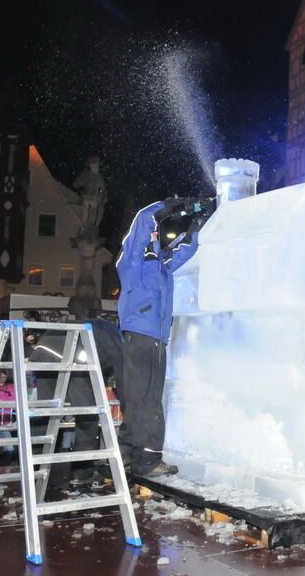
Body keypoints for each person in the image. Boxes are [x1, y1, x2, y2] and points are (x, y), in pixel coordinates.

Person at [115, 198, 205, 477]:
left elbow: (184, 250)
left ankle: (127, 457)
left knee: (145, 398)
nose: (154, 237)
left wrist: (196, 224)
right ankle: (147, 460)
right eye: (152, 236)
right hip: (140, 335)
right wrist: (168, 205)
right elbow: (143, 218)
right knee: (145, 399)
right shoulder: (131, 262)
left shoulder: (162, 266)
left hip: (157, 338)